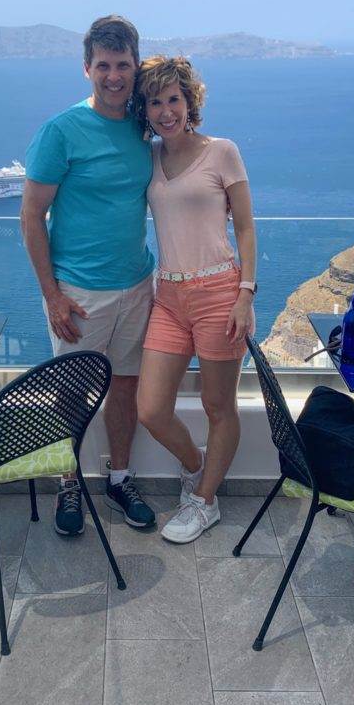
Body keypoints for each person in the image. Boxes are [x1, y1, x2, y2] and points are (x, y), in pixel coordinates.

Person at [20, 15, 156, 536]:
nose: (114, 76)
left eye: (123, 65)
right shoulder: (61, 131)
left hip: (137, 286)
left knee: (124, 387)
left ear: (135, 66)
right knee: (71, 394)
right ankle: (68, 484)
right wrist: (51, 296)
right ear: (87, 69)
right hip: (77, 294)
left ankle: (119, 478)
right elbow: (31, 217)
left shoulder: (144, 127)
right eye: (104, 65)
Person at [133, 56, 257, 543]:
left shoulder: (222, 151)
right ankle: (196, 467)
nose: (167, 111)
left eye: (174, 99)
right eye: (156, 102)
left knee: (217, 405)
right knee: (150, 408)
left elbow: (245, 228)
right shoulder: (149, 158)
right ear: (146, 110)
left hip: (219, 292)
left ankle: (205, 502)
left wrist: (245, 294)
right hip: (168, 295)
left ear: (190, 102)